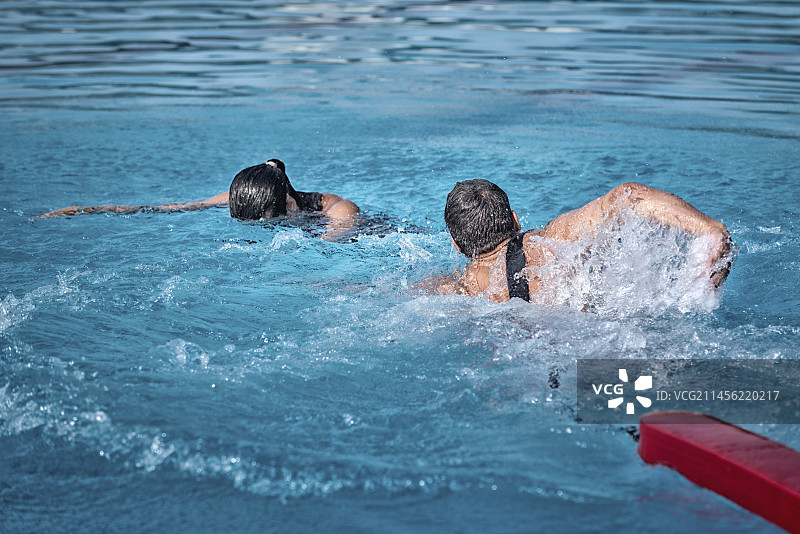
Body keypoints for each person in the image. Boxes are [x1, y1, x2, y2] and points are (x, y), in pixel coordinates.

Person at [434, 179, 733, 303]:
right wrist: (709, 229)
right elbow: (627, 196)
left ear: (456, 244)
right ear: (515, 219)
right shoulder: (553, 242)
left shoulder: (458, 291)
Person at [37, 159, 360, 221]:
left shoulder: (338, 208)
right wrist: (90, 210)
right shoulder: (242, 199)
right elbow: (172, 208)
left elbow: (337, 237)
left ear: (289, 204)